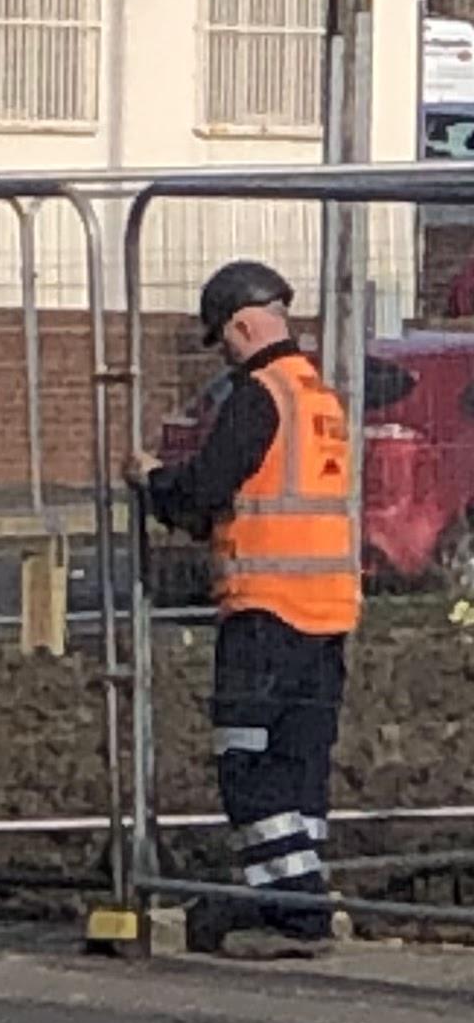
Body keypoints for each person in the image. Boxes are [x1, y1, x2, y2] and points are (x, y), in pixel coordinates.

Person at [142, 257, 360, 951]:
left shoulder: (259, 396)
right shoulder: (319, 397)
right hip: (328, 613)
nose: (227, 353)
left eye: (224, 338)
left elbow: (205, 490)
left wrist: (151, 481)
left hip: (267, 611)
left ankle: (294, 912)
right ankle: (301, 891)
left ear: (241, 324)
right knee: (300, 766)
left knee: (249, 763)